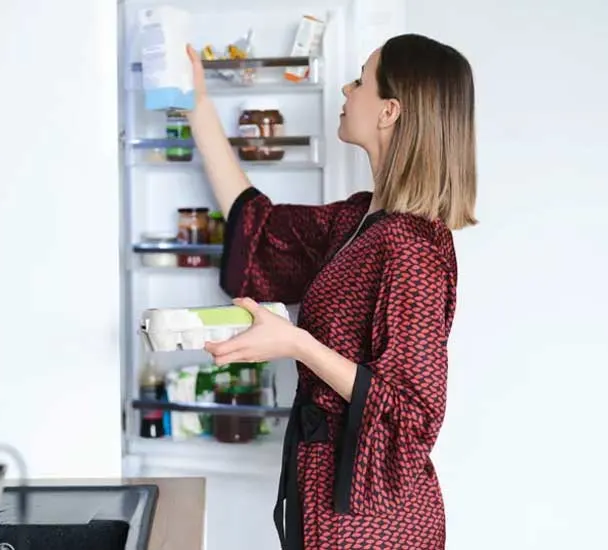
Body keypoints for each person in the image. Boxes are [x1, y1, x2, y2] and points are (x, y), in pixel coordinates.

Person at [184, 34, 477, 549]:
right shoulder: (356, 219)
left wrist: (297, 344)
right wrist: (198, 105)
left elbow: (412, 415)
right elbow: (259, 228)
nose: (347, 88)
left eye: (361, 80)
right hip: (326, 497)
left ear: (389, 111)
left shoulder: (413, 248)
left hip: (374, 523)